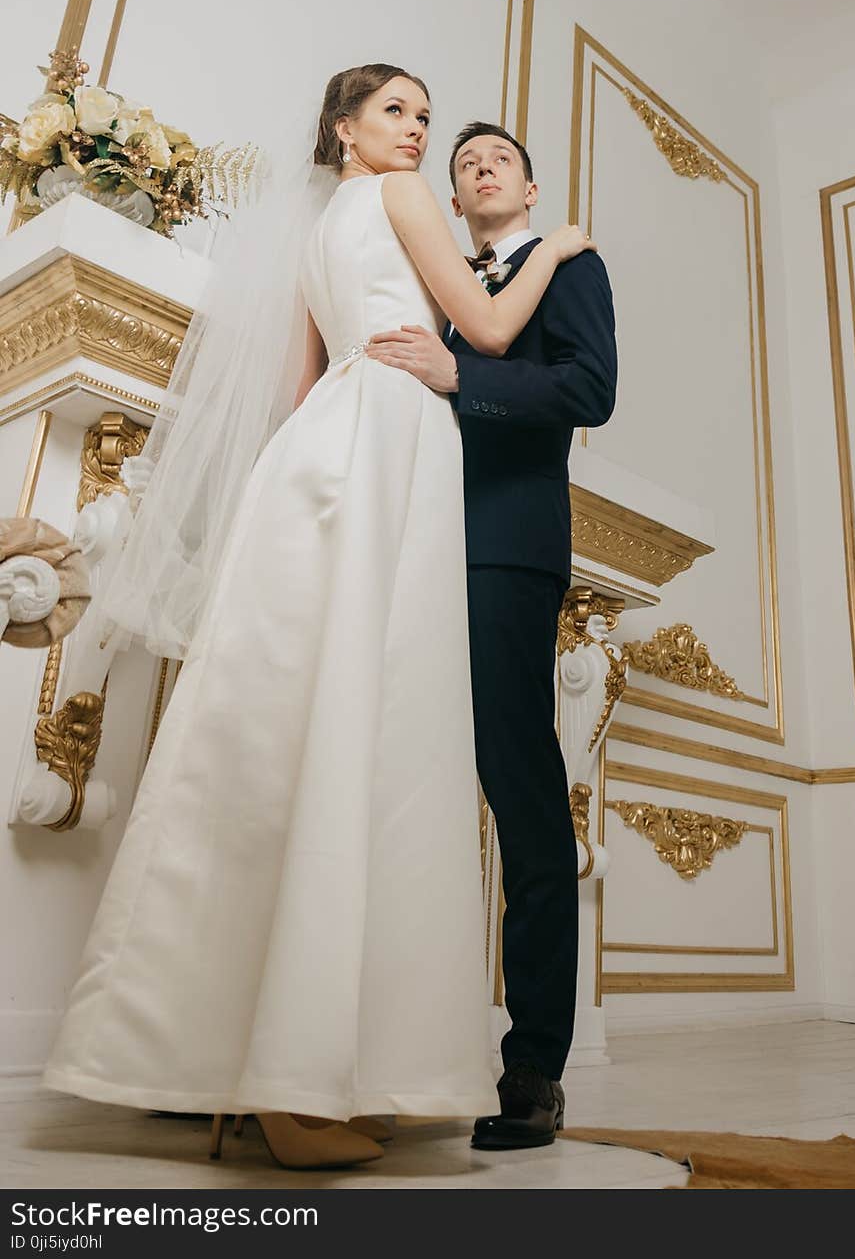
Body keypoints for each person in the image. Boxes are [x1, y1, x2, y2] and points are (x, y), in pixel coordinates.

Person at [42, 67, 590, 1171]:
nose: (418, 132)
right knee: (369, 722)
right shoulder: (397, 199)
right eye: (396, 112)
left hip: (315, 451)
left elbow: (295, 389)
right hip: (390, 434)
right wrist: (560, 248)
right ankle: (302, 1070)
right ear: (344, 130)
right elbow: (480, 328)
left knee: (283, 722)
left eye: (425, 119)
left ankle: (224, 1059)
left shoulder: (311, 236)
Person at [367, 122, 617, 1150]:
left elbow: (587, 389)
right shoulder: (440, 278)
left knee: (520, 791)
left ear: (526, 183)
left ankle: (533, 1065)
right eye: (465, 163)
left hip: (504, 549)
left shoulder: (569, 264)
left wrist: (457, 375)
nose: (477, 168)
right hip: (406, 537)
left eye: (497, 159)